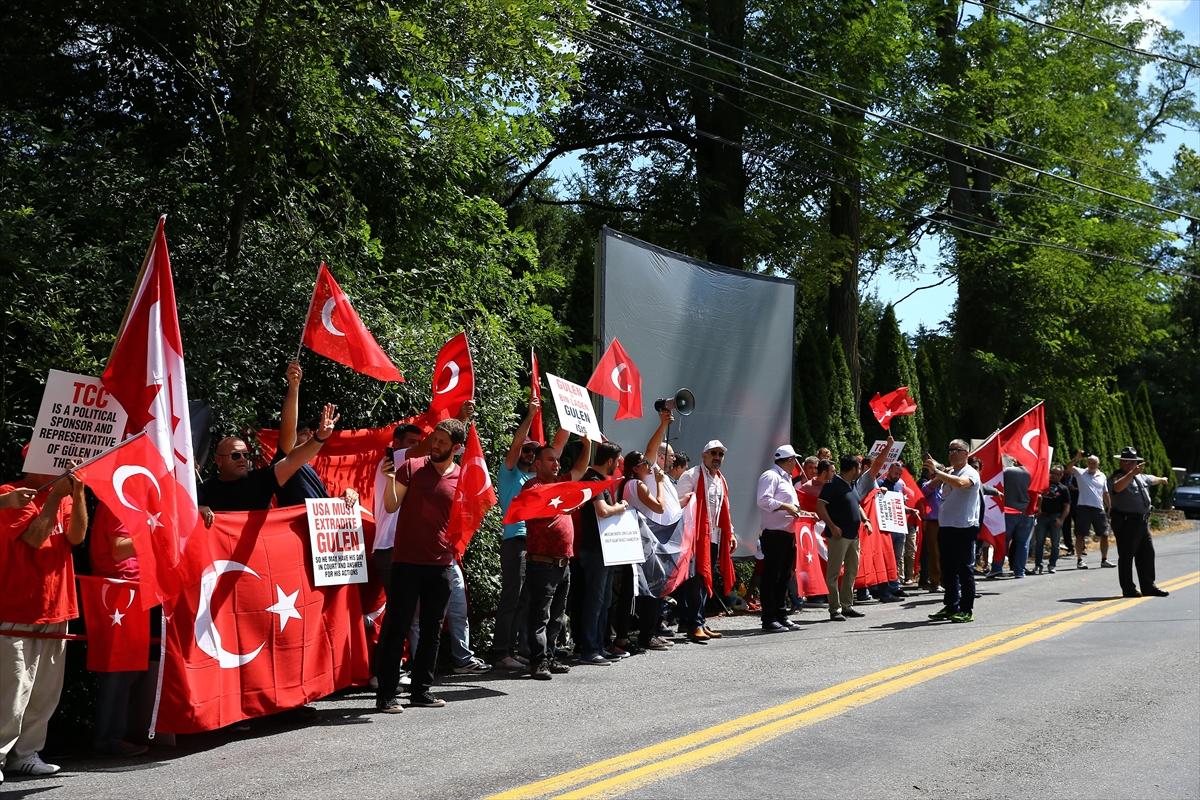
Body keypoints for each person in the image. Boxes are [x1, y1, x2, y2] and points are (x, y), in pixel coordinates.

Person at [374, 417, 470, 712]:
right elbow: (391, 506)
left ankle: (421, 691)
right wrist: (390, 479)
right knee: (397, 626)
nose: (435, 445)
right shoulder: (412, 467)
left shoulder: (463, 478)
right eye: (435, 439)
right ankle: (386, 695)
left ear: (456, 448)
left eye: (442, 442)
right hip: (406, 561)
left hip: (441, 563)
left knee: (432, 628)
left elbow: (466, 517)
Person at [1, 468, 87, 780]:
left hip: (58, 605)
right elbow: (35, 538)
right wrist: (53, 499)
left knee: (45, 690)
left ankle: (26, 753)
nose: (59, 468)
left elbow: (76, 536)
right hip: (18, 607)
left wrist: (77, 495)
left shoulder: (62, 495)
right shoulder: (10, 493)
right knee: (13, 688)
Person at [494, 396, 573, 670]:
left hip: (537, 546)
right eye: (526, 452)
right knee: (513, 597)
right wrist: (529, 415)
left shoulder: (540, 479)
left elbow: (558, 447)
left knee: (531, 602)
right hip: (516, 540)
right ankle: (502, 652)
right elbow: (516, 444)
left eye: (532, 453)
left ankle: (528, 651)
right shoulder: (510, 475)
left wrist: (571, 418)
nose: (528, 455)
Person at [197, 403, 339, 517]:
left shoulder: (260, 480)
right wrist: (198, 510)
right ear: (218, 460)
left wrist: (320, 438)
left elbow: (291, 461)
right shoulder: (205, 489)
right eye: (235, 455)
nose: (242, 459)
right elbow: (181, 512)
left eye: (245, 455)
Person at [522, 443, 589, 680]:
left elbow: (581, 469)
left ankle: (549, 657)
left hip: (563, 563)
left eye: (557, 460)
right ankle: (538, 662)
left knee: (557, 616)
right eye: (550, 459)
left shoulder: (559, 486)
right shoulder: (533, 487)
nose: (556, 463)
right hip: (542, 563)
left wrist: (588, 443)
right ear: (537, 464)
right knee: (540, 616)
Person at [87, 504, 150, 757]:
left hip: (129, 590)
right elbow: (119, 550)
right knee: (118, 669)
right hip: (118, 592)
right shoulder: (117, 505)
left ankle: (114, 735)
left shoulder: (126, 504)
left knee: (127, 668)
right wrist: (153, 528)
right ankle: (108, 738)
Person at [816, 441, 889, 622]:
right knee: (834, 573)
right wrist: (832, 526)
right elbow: (820, 507)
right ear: (853, 468)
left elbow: (855, 504)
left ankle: (847, 605)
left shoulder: (852, 485)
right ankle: (835, 609)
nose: (861, 471)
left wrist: (864, 519)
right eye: (858, 467)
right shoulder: (832, 485)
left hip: (853, 536)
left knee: (851, 571)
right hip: (838, 536)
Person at [571, 441, 628, 665]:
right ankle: (588, 649)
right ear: (610, 461)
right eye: (618, 461)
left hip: (604, 549)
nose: (619, 465)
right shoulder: (593, 480)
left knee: (603, 601)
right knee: (594, 601)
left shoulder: (600, 480)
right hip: (594, 550)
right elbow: (603, 511)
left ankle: (599, 646)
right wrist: (620, 507)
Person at [273, 361, 358, 509]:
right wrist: (294, 387)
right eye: (302, 431)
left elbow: (323, 508)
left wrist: (347, 495)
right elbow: (287, 430)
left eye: (310, 431)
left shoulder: (309, 471)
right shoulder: (285, 462)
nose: (308, 432)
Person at [676, 440, 737, 642]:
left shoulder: (720, 480)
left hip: (713, 537)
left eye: (721, 454)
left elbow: (724, 510)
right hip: (694, 538)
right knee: (696, 581)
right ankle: (694, 624)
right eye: (714, 453)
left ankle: (697, 621)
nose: (717, 457)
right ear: (704, 455)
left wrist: (732, 533)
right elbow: (678, 506)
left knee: (703, 581)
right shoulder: (692, 475)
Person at [616, 449, 673, 652]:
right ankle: (646, 635)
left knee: (632, 592)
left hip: (637, 542)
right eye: (644, 463)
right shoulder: (637, 484)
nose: (649, 466)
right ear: (635, 468)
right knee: (651, 589)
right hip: (642, 543)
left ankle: (630, 635)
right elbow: (659, 507)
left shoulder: (627, 485)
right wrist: (659, 482)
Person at [925, 440, 981, 623]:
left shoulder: (970, 472)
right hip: (947, 525)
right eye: (949, 450)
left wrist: (938, 472)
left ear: (966, 453)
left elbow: (960, 484)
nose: (952, 453)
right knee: (948, 569)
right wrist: (938, 474)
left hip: (964, 527)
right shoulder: (950, 472)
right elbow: (929, 487)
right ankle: (951, 606)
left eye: (956, 450)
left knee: (964, 569)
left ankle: (966, 609)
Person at [1108, 447, 1171, 598]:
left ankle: (1148, 586)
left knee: (1147, 553)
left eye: (1135, 462)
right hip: (1126, 522)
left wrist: (1162, 479)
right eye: (1130, 462)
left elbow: (1152, 479)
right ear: (1123, 462)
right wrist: (1131, 474)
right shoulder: (1117, 477)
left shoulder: (1140, 477)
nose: (1134, 464)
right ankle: (1128, 588)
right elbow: (1117, 488)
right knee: (1127, 555)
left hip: (1142, 522)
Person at [756, 445, 804, 632]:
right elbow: (763, 500)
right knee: (772, 577)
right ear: (789, 460)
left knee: (784, 576)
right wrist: (786, 506)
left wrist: (802, 512)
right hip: (774, 534)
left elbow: (792, 507)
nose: (795, 463)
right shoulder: (770, 476)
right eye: (794, 460)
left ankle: (781, 615)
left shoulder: (786, 478)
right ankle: (769, 618)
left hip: (787, 534)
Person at [1069, 451, 1112, 570]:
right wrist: (1076, 458)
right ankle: (1079, 560)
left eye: (1093, 463)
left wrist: (1109, 506)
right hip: (1083, 507)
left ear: (1098, 464)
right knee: (1080, 535)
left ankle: (1104, 559)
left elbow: (1105, 492)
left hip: (1098, 508)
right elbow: (1068, 469)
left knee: (1104, 535)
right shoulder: (1081, 472)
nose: (1091, 464)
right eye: (1089, 462)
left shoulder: (1102, 475)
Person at [991, 459, 1033, 578]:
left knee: (1002, 541)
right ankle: (1020, 571)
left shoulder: (1007, 472)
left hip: (1008, 511)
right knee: (1023, 543)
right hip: (1026, 512)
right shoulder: (1033, 472)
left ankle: (997, 567)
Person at [1032, 465, 1071, 574]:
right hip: (1043, 516)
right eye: (1052, 472)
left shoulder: (1063, 489)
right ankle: (1038, 565)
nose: (1053, 475)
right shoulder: (1043, 484)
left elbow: (1067, 506)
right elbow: (1037, 497)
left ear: (1061, 475)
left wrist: (1061, 519)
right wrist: (1037, 510)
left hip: (1055, 517)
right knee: (1039, 542)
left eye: (1057, 474)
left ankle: (1052, 564)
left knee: (1055, 543)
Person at [918, 467, 942, 592]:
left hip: (946, 522)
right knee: (934, 553)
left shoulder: (946, 487)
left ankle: (946, 580)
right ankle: (935, 582)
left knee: (945, 553)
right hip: (932, 522)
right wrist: (943, 475)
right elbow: (927, 489)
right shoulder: (927, 484)